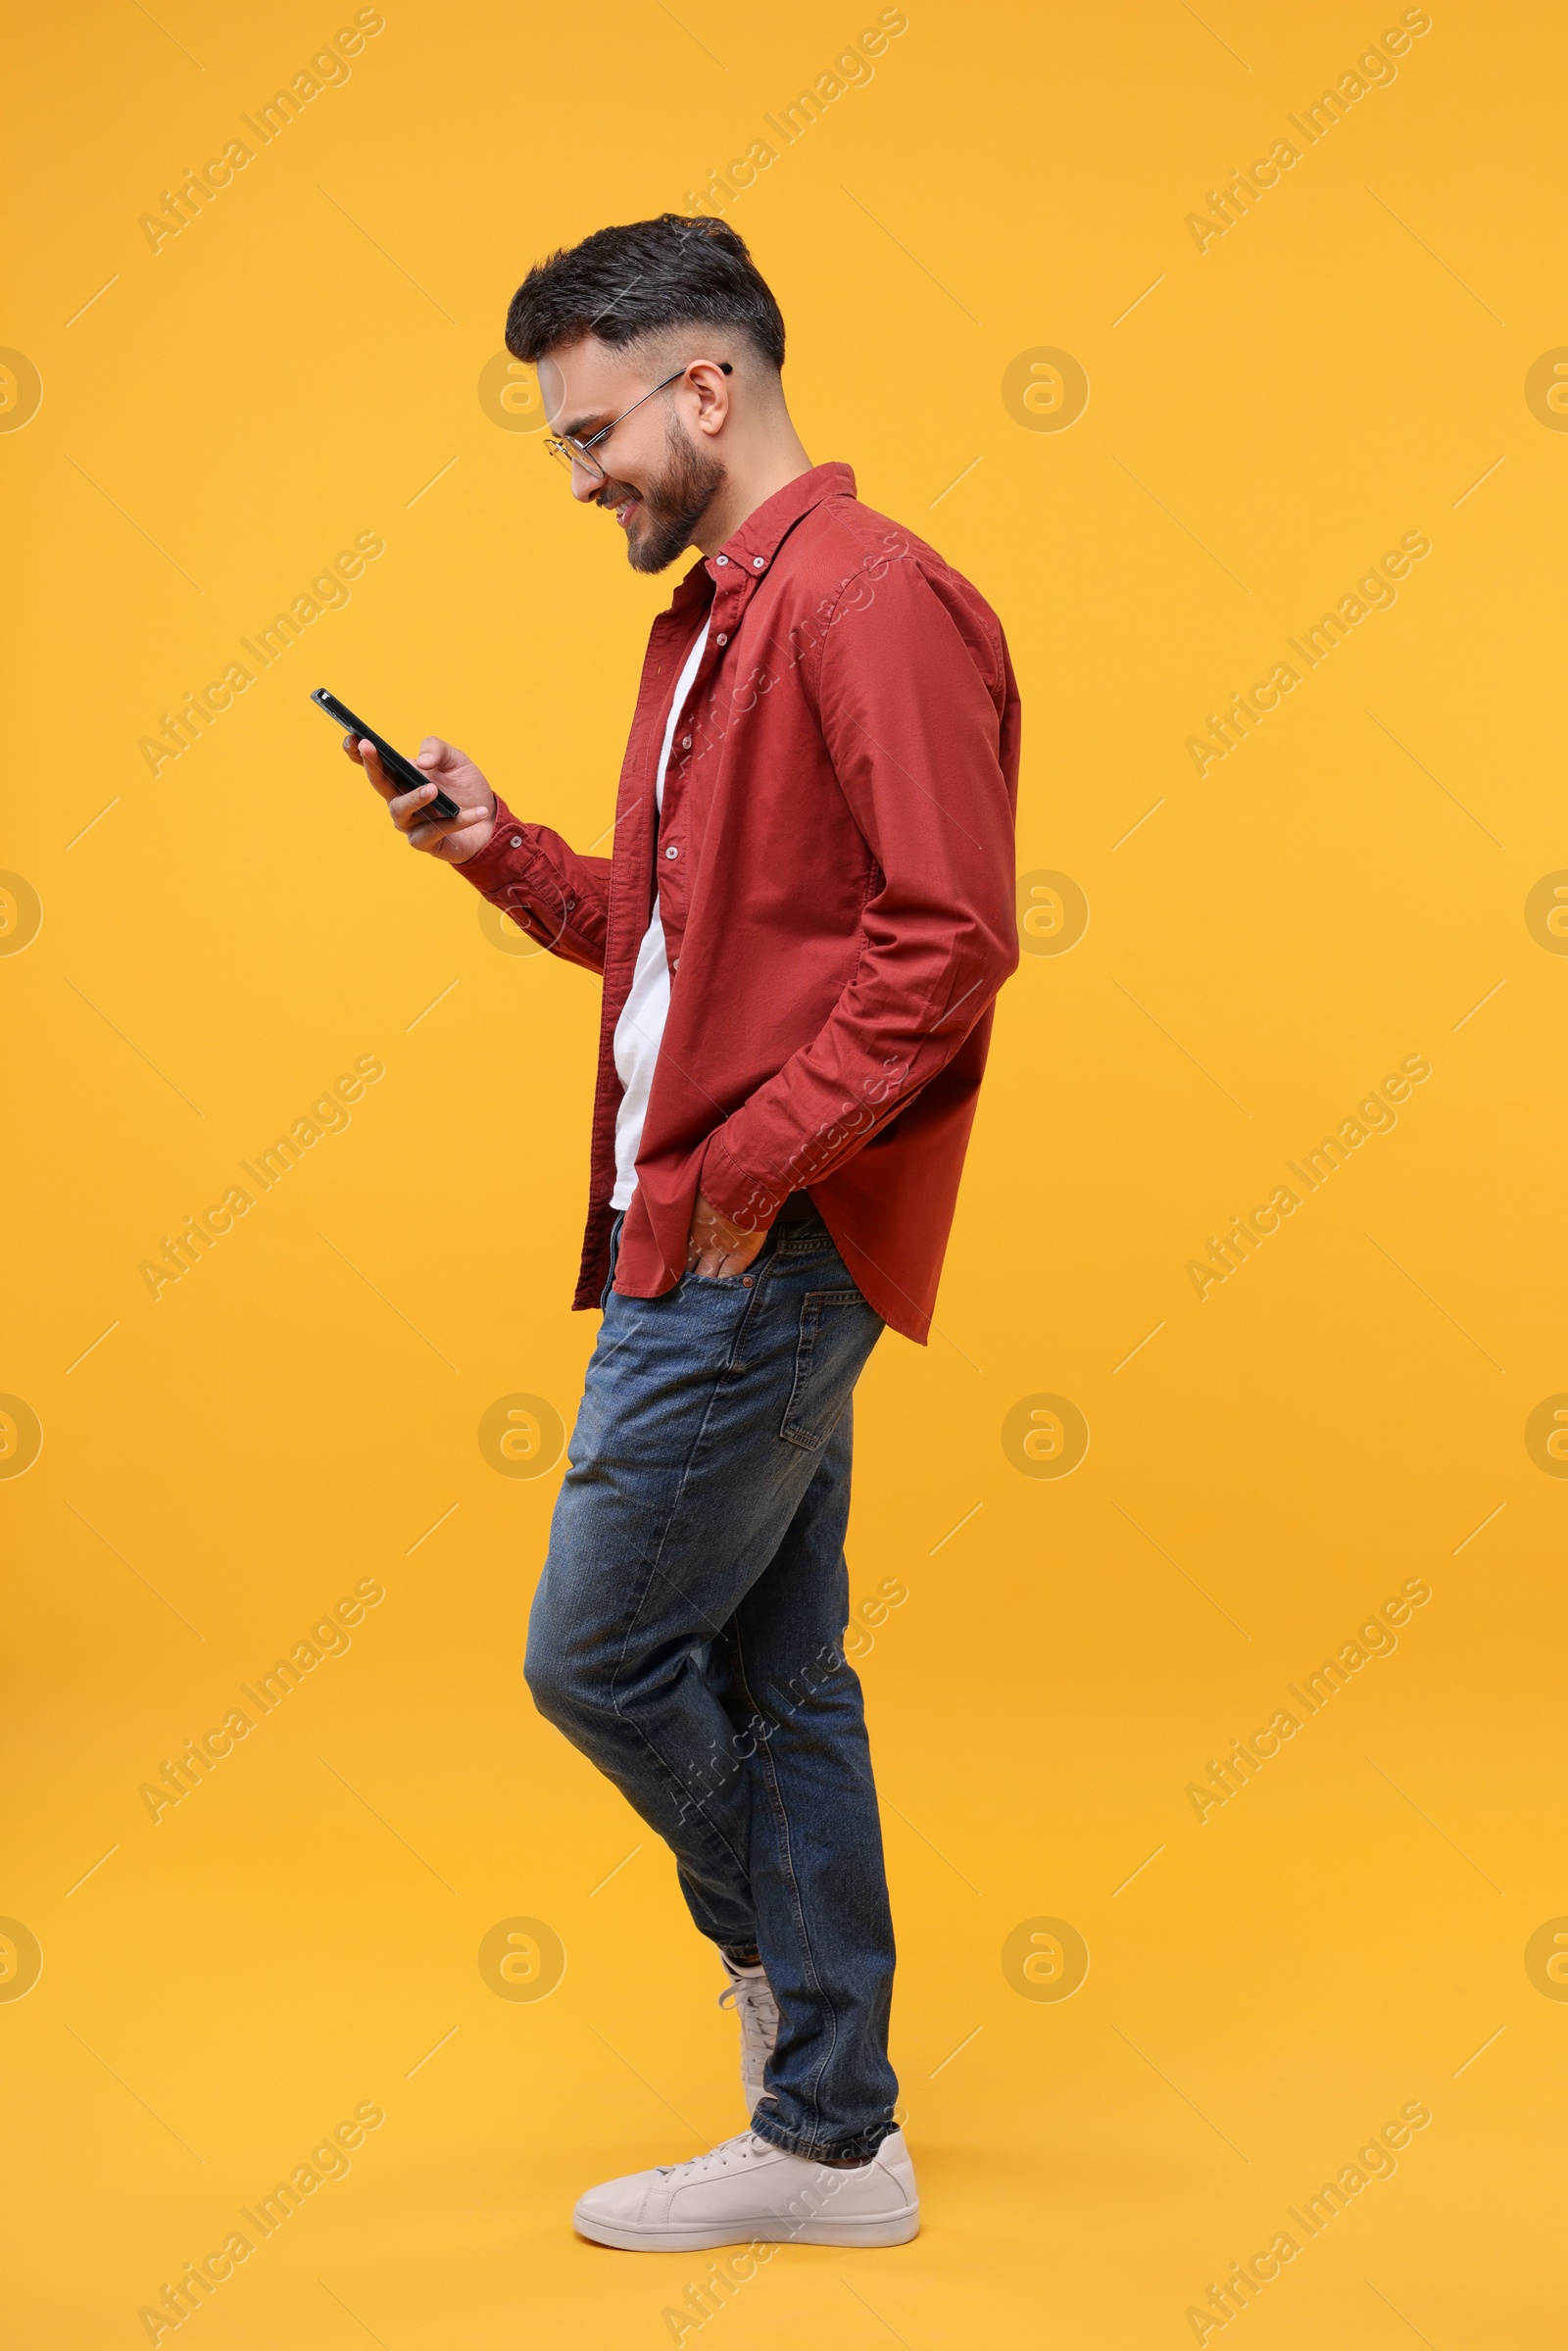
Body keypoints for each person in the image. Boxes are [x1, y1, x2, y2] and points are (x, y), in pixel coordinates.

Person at [347, 212, 1020, 2252]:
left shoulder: (862, 606)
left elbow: (948, 941)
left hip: (747, 1246)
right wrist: (497, 854)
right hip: (695, 1225)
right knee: (784, 1683)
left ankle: (806, 2038)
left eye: (588, 434)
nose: (578, 478)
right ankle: (833, 2137)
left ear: (701, 388)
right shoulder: (719, 624)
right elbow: (674, 957)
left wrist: (748, 1176)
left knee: (599, 1655)